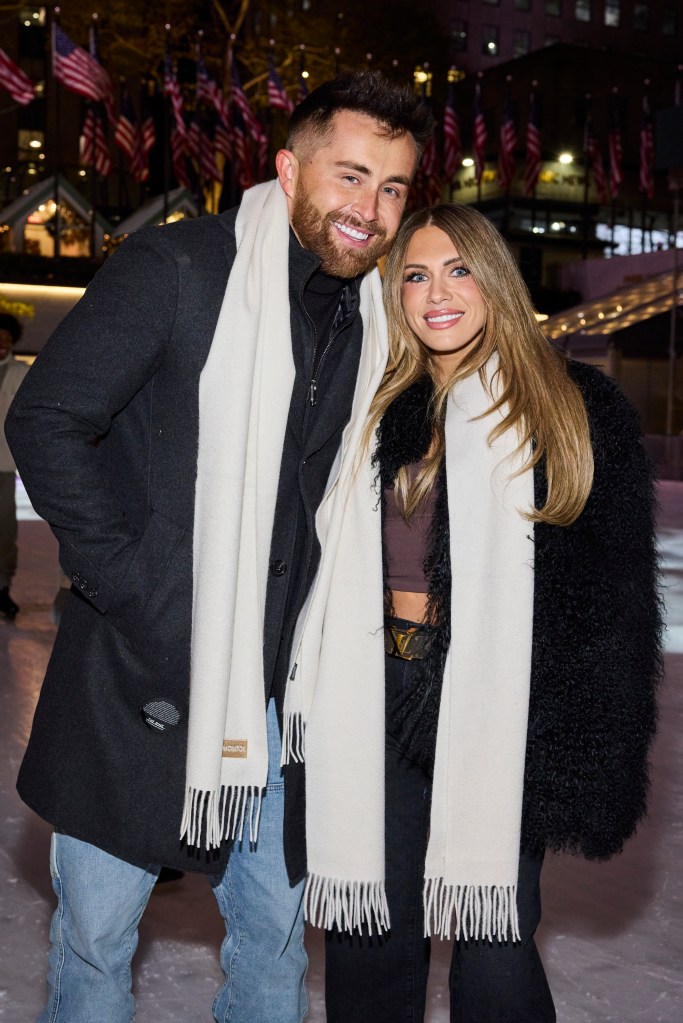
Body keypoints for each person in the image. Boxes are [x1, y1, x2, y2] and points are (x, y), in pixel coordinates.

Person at [4, 71, 433, 1023]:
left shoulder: (375, 316)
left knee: (274, 952)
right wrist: (137, 581)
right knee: (96, 943)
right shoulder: (178, 270)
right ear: (288, 168)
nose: (370, 208)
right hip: (142, 675)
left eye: (393, 188)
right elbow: (48, 418)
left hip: (293, 696)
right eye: (350, 175)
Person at [318, 204, 662, 1022]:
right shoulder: (378, 403)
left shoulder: (572, 405)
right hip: (375, 688)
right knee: (372, 924)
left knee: (495, 933)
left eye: (457, 269)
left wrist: (577, 748)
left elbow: (611, 602)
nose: (436, 292)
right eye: (414, 274)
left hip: (500, 701)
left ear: (494, 280)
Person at [0, 313, 28, 620]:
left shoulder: (21, 373)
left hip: (5, 466)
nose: (2, 342)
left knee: (5, 532)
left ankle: (2, 588)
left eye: (6, 337)